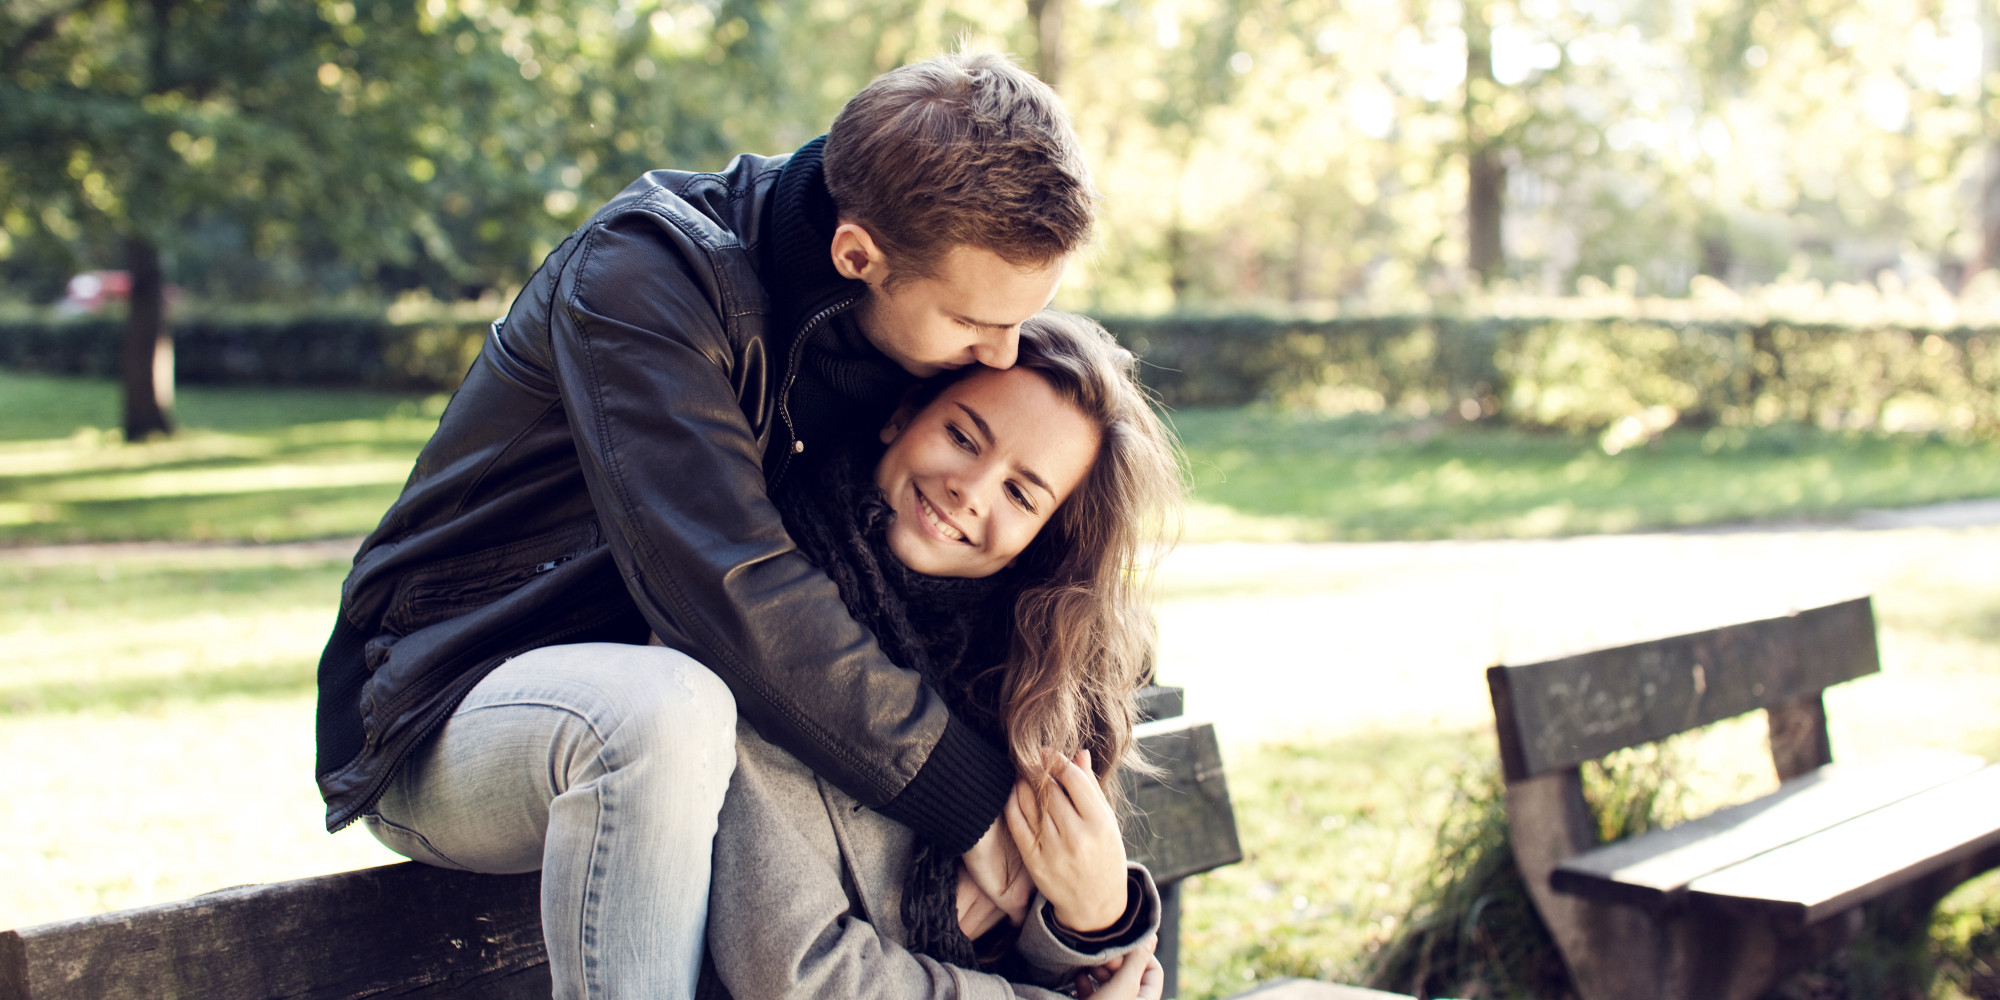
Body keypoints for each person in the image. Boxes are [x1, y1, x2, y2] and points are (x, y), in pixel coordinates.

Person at [314, 51, 1095, 999]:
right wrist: (979, 811)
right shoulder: (643, 279)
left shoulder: (891, 332)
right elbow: (735, 594)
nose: (1000, 352)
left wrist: (1095, 914)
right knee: (663, 710)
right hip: (449, 703)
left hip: (700, 764)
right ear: (856, 255)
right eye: (976, 321)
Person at [698, 311, 1183, 1000]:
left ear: (1040, 538)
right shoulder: (764, 611)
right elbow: (795, 973)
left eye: (1021, 493)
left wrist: (1095, 922)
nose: (971, 489)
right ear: (904, 413)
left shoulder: (1029, 667)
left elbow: (1051, 947)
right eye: (962, 436)